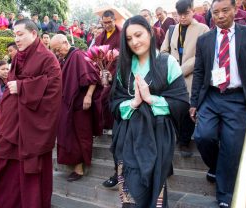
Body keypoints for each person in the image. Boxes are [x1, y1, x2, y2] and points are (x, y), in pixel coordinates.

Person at [0, 19, 62, 208]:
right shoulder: (18, 57)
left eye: (20, 34)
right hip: (12, 121)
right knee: (2, 158)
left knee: (29, 170)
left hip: (32, 127)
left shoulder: (48, 59)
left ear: (34, 34)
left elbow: (53, 93)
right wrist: (0, 112)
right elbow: (8, 92)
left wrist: (23, 86)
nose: (17, 39)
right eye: (15, 34)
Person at [111, 15, 189, 208]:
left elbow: (181, 102)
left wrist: (150, 99)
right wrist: (134, 102)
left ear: (150, 33)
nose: (134, 42)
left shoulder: (167, 62)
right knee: (130, 193)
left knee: (155, 193)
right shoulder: (124, 67)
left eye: (138, 35)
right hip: (128, 136)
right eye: (129, 39)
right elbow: (114, 104)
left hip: (157, 136)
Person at [190, 0, 246, 207]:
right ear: (211, 14)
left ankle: (225, 196)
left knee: (232, 145)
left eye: (225, 11)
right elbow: (199, 72)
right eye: (216, 12)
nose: (220, 16)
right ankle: (215, 166)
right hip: (211, 96)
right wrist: (194, 102)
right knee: (203, 137)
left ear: (235, 10)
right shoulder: (204, 40)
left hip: (237, 98)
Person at [50, 34, 102, 182]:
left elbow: (93, 76)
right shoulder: (65, 59)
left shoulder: (77, 55)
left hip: (80, 105)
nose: (57, 53)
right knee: (68, 135)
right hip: (66, 105)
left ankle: (79, 169)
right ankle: (74, 166)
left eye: (58, 49)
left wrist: (88, 96)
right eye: (55, 51)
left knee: (80, 135)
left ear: (66, 43)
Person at [161, 0, 209, 157]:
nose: (182, 18)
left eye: (186, 14)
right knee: (174, 107)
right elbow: (163, 51)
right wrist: (171, 66)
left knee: (190, 108)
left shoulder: (203, 29)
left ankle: (185, 141)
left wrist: (181, 70)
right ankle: (177, 137)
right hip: (172, 78)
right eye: (179, 14)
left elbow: (203, 55)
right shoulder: (172, 29)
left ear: (193, 11)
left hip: (193, 77)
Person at [94, 10, 122, 188]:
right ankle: (107, 126)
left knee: (107, 99)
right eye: (104, 23)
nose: (107, 25)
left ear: (114, 20)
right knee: (102, 99)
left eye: (109, 22)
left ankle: (111, 125)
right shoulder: (100, 37)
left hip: (118, 75)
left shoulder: (122, 34)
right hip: (103, 75)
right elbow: (96, 54)